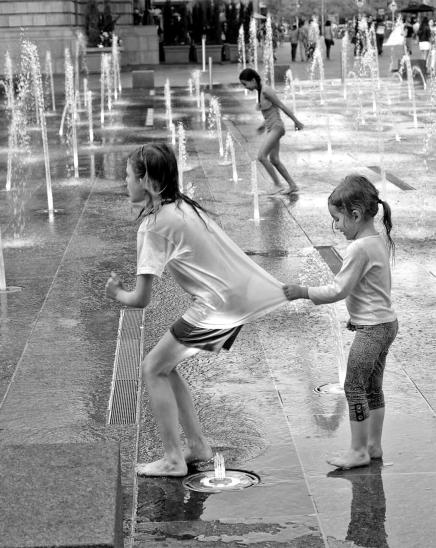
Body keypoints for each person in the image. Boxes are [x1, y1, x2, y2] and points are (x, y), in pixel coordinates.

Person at [105, 143, 287, 477]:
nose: (125, 183)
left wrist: (116, 293)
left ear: (145, 181)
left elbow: (141, 299)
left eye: (129, 176)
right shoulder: (181, 207)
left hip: (218, 307)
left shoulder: (154, 225)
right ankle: (197, 445)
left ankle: (174, 458)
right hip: (230, 299)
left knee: (151, 369)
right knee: (165, 367)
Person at [282, 175, 398, 470]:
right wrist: (357, 318)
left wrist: (302, 292)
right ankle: (373, 445)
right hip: (384, 324)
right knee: (372, 387)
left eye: (338, 219)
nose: (336, 226)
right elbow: (371, 289)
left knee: (353, 386)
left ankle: (358, 450)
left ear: (356, 215)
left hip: (373, 330)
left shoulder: (359, 248)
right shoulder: (377, 239)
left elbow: (338, 289)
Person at [239, 67, 304, 195]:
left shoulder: (266, 91)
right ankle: (292, 185)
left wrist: (296, 121)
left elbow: (281, 106)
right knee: (274, 159)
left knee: (261, 156)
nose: (245, 87)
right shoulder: (260, 91)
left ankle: (278, 185)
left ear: (252, 80)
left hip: (277, 127)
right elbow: (271, 112)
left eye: (245, 84)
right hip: (271, 128)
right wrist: (263, 125)